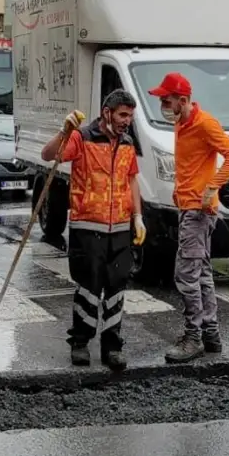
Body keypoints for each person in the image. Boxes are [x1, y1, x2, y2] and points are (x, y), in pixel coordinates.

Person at [41, 89, 145, 372]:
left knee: (116, 288)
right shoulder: (82, 137)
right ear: (107, 112)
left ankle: (112, 347)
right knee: (89, 287)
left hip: (121, 227)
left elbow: (132, 179)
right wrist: (64, 131)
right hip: (87, 226)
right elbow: (49, 154)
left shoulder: (126, 142)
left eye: (130, 116)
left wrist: (138, 216)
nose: (127, 121)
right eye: (123, 115)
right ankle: (80, 342)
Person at [147, 72, 229, 364]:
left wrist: (213, 186)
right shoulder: (182, 123)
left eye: (167, 100)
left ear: (184, 100)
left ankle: (194, 338)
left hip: (198, 211)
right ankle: (210, 335)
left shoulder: (204, 124)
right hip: (189, 208)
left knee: (186, 275)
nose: (163, 104)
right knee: (201, 273)